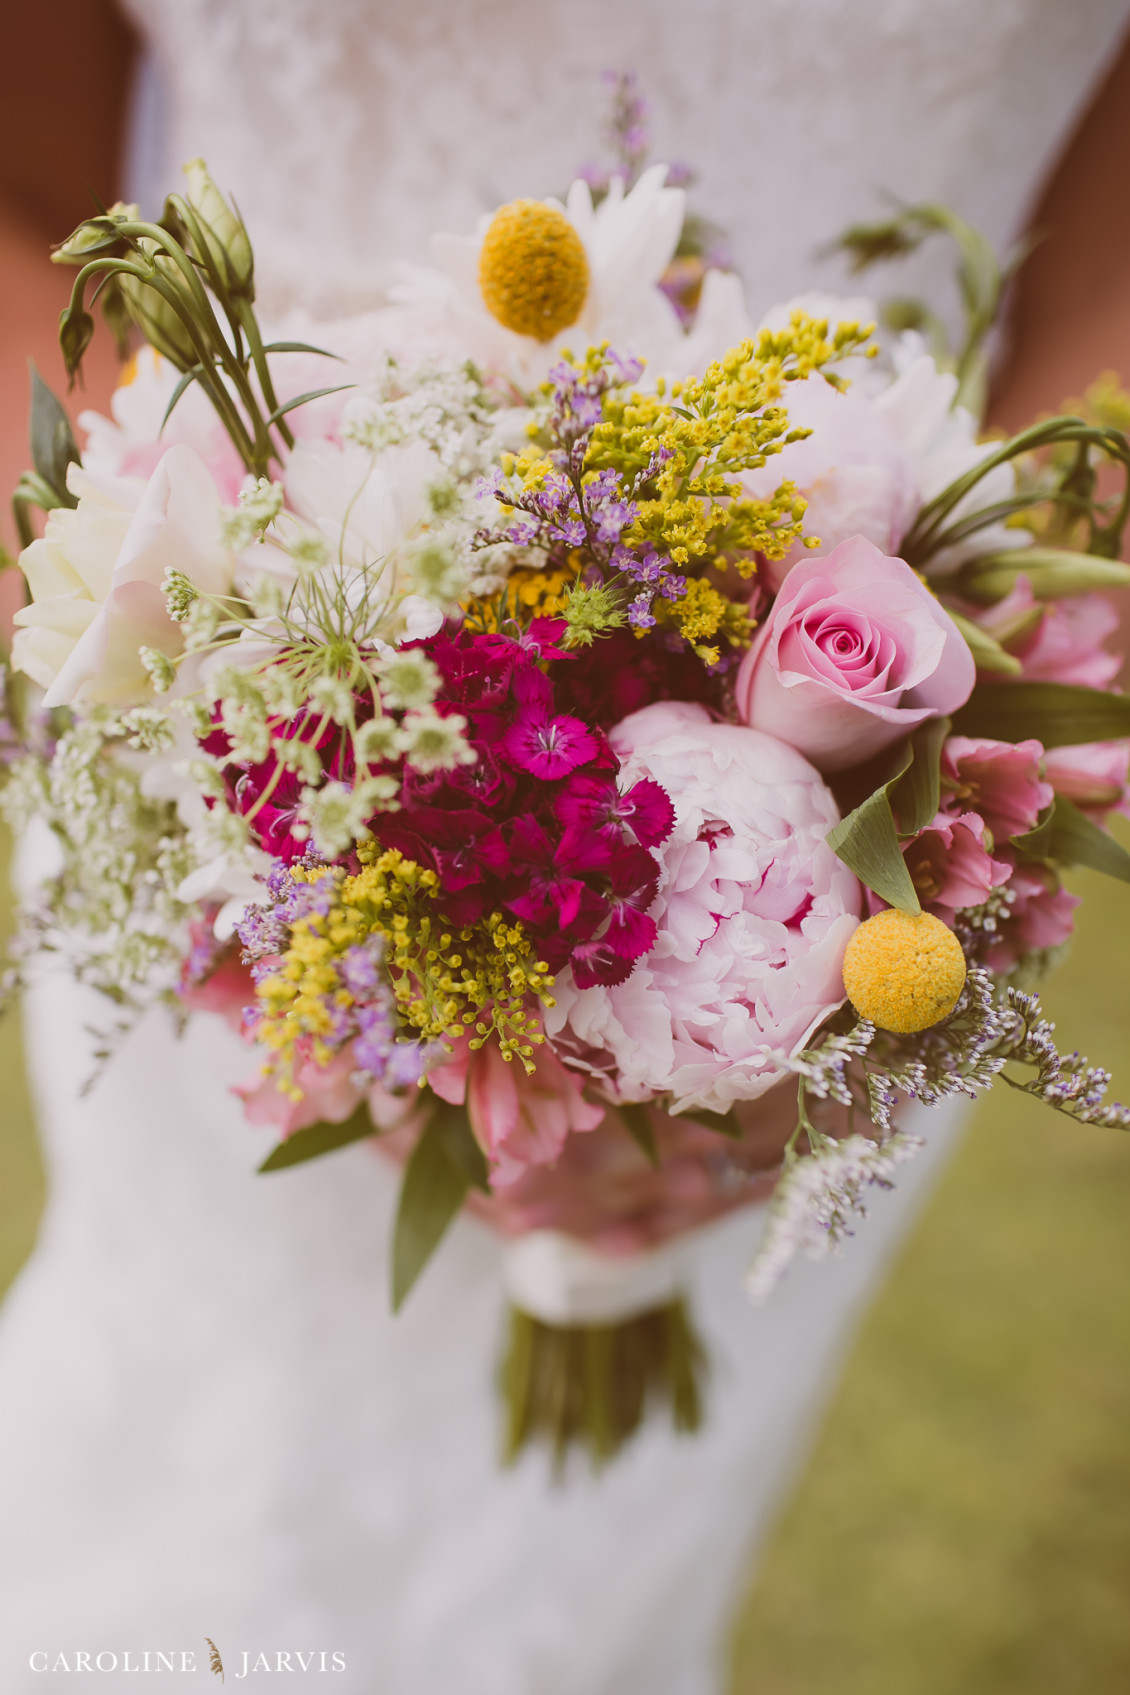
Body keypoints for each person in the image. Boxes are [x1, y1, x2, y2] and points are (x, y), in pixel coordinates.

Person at [1, 4, 1129, 1691]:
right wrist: (255, 691)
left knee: (599, 1583)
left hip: (885, 749)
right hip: (232, 749)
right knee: (188, 1509)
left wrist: (786, 966)